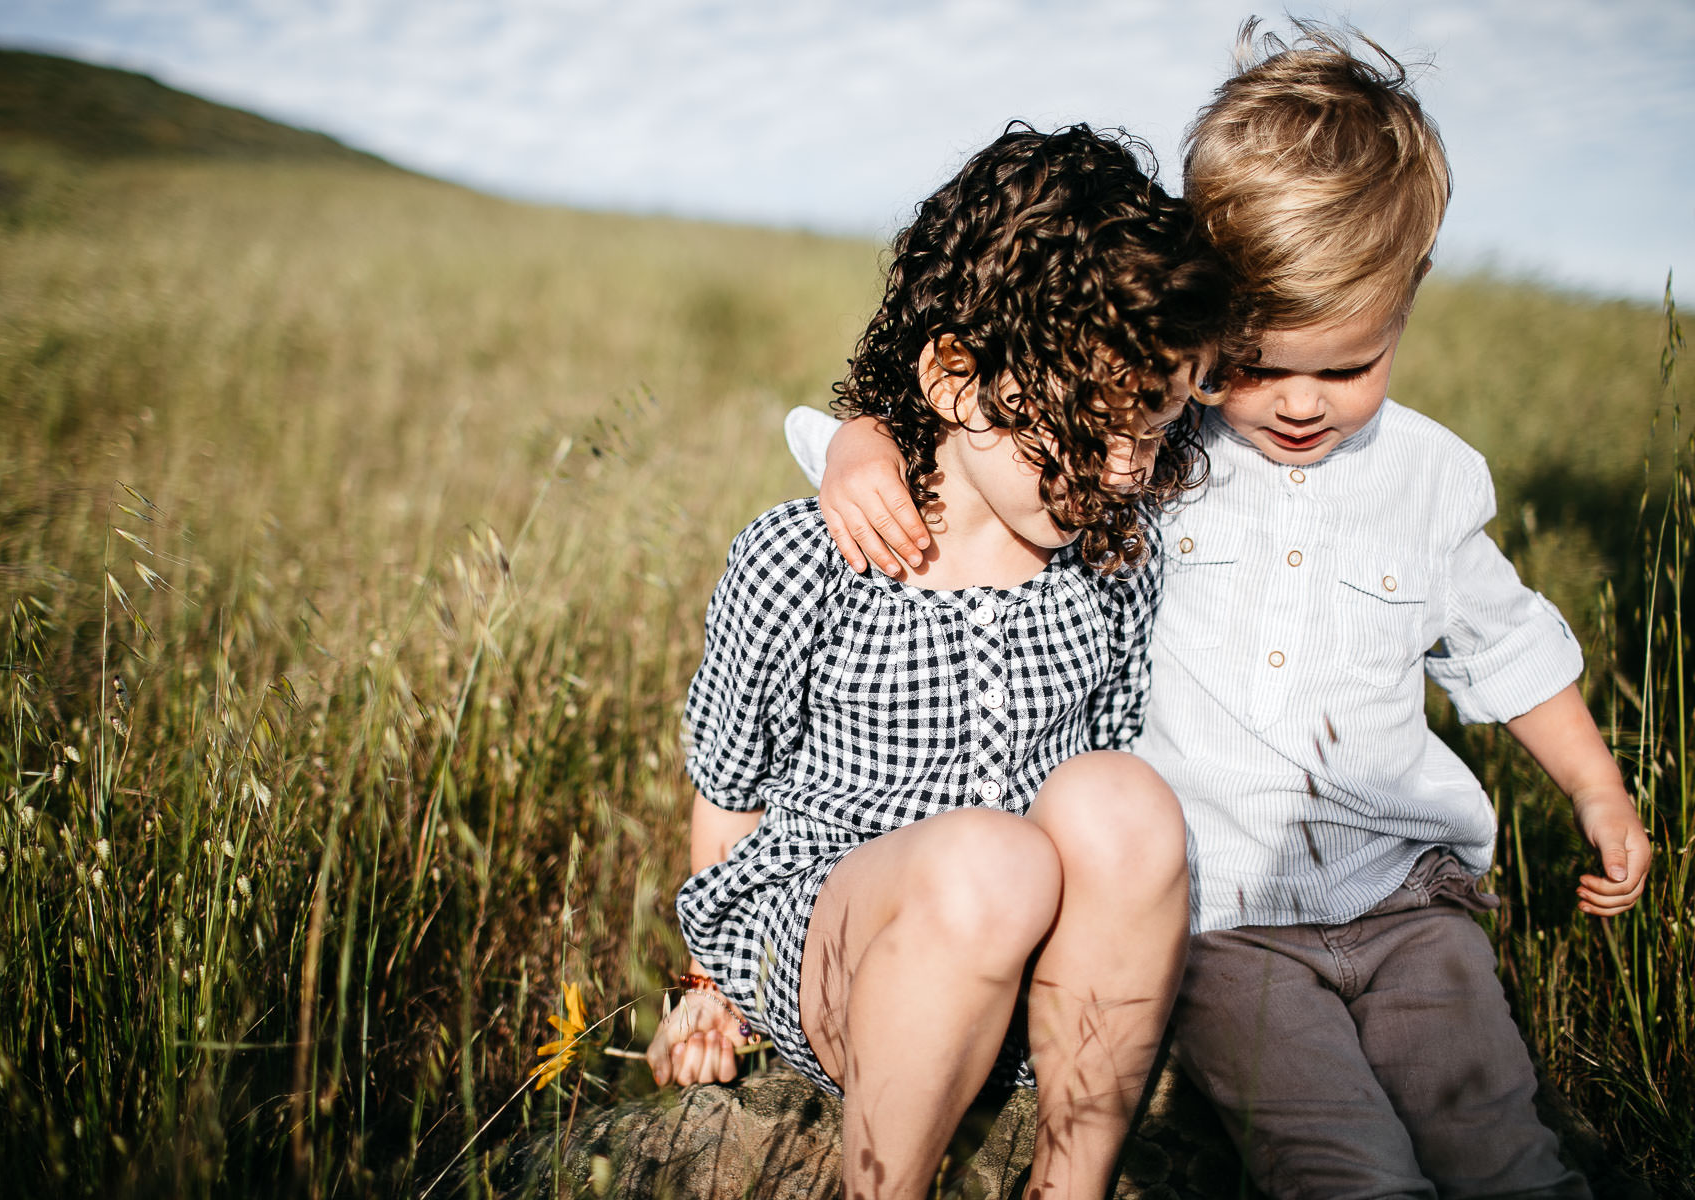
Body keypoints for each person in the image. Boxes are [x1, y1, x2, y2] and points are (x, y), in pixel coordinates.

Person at [791, 22, 1652, 1200]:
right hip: (1226, 919)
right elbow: (978, 437)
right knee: (1339, 1163)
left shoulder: (1430, 479)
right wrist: (856, 442)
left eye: (1344, 369)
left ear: (1406, 304)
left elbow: (1504, 643)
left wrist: (1597, 789)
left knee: (1500, 1142)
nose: (1298, 403)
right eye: (1249, 364)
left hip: (1410, 900)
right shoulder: (1153, 445)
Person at [644, 122, 1234, 1200]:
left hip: (1018, 980)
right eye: (1090, 429)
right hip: (836, 952)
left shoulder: (1108, 565)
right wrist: (702, 987)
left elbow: (1098, 800)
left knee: (1126, 800)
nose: (1125, 471)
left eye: (1151, 431)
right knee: (986, 865)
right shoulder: (806, 560)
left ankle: (1074, 1177)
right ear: (958, 382)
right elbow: (726, 791)